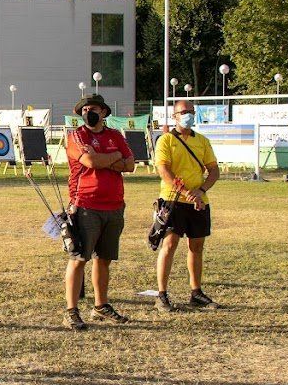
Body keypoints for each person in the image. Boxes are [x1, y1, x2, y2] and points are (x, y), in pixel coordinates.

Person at [61, 94, 135, 329]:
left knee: (104, 259)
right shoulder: (76, 136)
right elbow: (90, 162)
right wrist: (115, 157)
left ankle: (101, 306)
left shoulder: (115, 135)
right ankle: (71, 311)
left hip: (114, 206)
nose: (87, 113)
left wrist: (105, 158)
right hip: (86, 205)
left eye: (92, 109)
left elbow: (130, 164)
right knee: (79, 259)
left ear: (103, 112)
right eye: (84, 110)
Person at [153, 100, 220, 312]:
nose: (188, 115)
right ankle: (161, 294)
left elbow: (214, 170)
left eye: (191, 111)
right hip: (172, 200)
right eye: (183, 112)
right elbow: (164, 170)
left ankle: (196, 292)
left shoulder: (202, 141)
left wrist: (201, 191)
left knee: (197, 246)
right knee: (169, 244)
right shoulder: (166, 140)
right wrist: (185, 192)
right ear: (174, 116)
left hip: (198, 202)